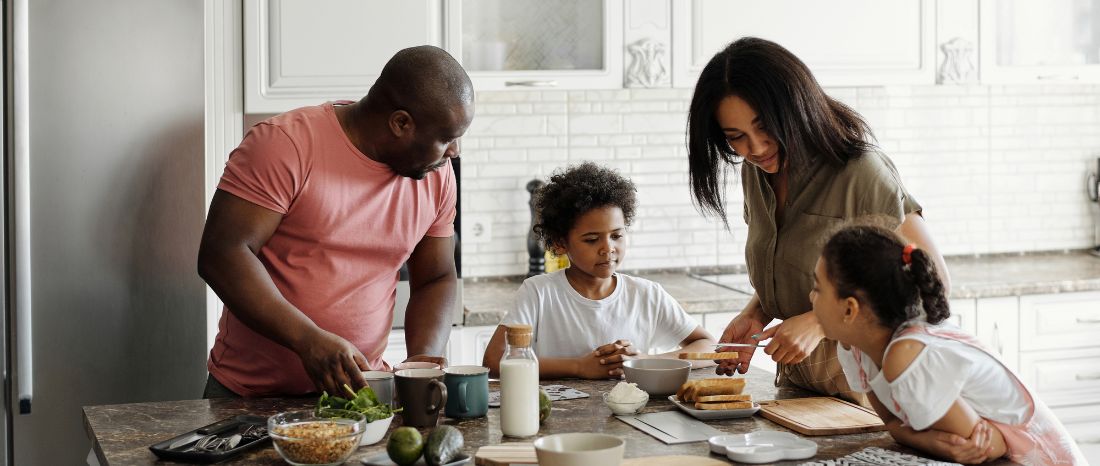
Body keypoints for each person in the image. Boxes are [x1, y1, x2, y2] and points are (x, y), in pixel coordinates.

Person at [197, 45, 474, 398]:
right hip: (249, 396)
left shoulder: (436, 175)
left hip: (358, 394)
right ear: (400, 123)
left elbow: (435, 277)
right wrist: (307, 340)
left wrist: (421, 362)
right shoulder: (285, 145)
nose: (455, 152)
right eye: (446, 138)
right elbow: (222, 255)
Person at [686, 36, 951, 403]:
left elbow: (929, 284)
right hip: (800, 383)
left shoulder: (861, 171)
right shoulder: (757, 171)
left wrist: (818, 324)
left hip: (869, 388)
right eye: (736, 137)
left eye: (765, 127)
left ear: (796, 107)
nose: (756, 148)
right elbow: (804, 268)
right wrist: (757, 312)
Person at [813, 223, 1085, 465]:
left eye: (818, 288)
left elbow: (979, 448)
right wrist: (929, 441)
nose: (811, 297)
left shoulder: (906, 355)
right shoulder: (854, 349)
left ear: (850, 309)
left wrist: (926, 439)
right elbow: (894, 426)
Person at [482, 162, 716, 379]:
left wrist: (645, 361)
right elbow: (494, 360)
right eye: (592, 239)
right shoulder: (539, 292)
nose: (608, 248)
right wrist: (579, 367)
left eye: (616, 236)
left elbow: (709, 346)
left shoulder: (647, 294)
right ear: (560, 243)